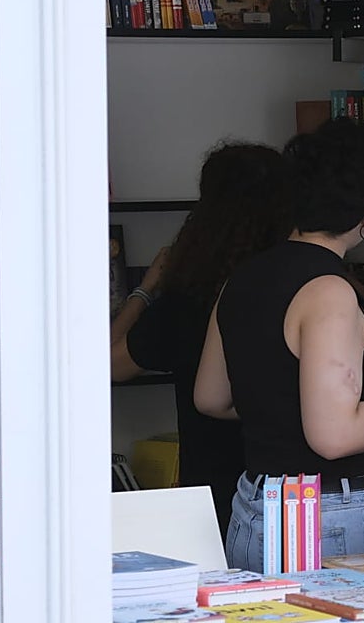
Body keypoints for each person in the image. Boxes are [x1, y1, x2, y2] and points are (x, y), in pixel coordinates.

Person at [193, 117, 364, 572]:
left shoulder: (241, 278)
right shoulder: (329, 292)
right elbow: (334, 436)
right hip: (327, 517)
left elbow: (211, 397)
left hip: (255, 509)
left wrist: (295, 409)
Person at [110, 142, 292, 538]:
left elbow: (111, 364)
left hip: (217, 494)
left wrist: (145, 289)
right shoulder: (300, 288)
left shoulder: (191, 300)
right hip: (296, 490)